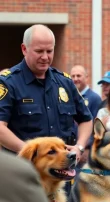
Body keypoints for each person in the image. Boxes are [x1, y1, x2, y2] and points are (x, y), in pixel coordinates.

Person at [0, 24, 93, 160]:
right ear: (24, 49)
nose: (45, 57)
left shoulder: (65, 82)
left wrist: (79, 147)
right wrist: (30, 151)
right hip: (25, 170)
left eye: (49, 51)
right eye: (39, 51)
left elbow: (86, 119)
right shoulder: (8, 82)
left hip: (62, 172)